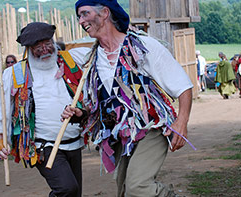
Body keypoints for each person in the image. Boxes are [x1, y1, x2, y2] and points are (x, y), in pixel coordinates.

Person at [61, 1, 193, 196]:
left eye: (85, 14)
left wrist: (181, 122)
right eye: (79, 16)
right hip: (120, 136)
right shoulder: (93, 58)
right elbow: (99, 104)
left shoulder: (142, 46)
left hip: (151, 128)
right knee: (124, 191)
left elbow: (183, 86)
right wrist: (80, 113)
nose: (81, 21)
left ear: (105, 12)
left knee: (137, 187)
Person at [0, 22, 87, 197]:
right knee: (67, 189)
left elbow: (99, 54)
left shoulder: (70, 61)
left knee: (75, 193)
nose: (44, 50)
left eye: (47, 44)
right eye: (38, 47)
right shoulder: (15, 73)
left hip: (74, 142)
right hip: (43, 145)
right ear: (28, 49)